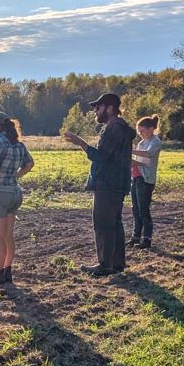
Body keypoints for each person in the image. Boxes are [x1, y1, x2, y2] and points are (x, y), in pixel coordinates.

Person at [63, 93, 134, 277]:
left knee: (103, 223)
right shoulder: (121, 127)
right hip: (117, 183)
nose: (95, 111)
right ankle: (117, 263)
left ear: (110, 108)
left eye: (98, 107)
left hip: (108, 183)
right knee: (115, 223)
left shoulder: (113, 128)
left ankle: (105, 265)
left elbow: (102, 157)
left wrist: (81, 143)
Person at [0, 112, 34, 284]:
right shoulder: (18, 144)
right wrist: (15, 176)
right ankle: (7, 270)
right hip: (14, 192)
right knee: (8, 235)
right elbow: (29, 164)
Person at [130, 115, 162, 249]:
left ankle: (147, 239)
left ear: (150, 129)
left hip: (146, 179)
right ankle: (135, 237)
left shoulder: (155, 141)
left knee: (143, 210)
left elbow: (148, 155)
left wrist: (129, 151)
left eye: (142, 131)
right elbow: (139, 161)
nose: (140, 134)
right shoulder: (141, 143)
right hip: (136, 177)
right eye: (139, 132)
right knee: (136, 209)